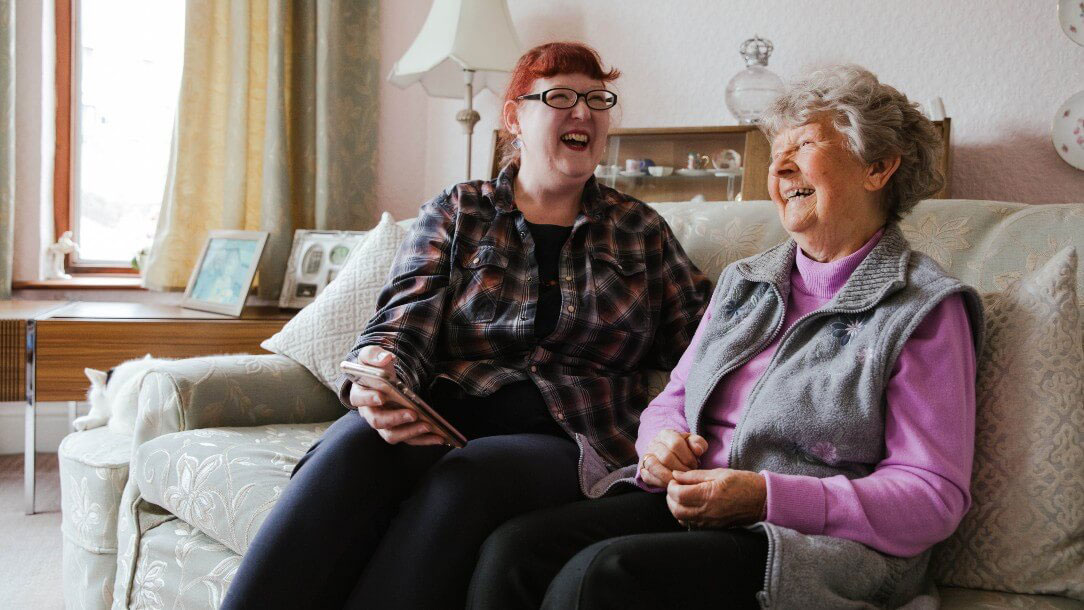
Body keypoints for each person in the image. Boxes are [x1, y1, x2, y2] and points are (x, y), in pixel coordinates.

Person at [469, 64, 984, 610]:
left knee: (605, 575)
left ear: (877, 168)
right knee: (515, 549)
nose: (780, 165)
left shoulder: (922, 308)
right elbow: (673, 399)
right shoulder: (746, 282)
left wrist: (765, 496)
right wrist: (659, 447)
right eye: (775, 148)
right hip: (695, 504)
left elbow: (932, 496)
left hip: (807, 543)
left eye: (804, 145)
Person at [220, 42, 710, 610]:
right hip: (448, 408)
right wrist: (380, 371)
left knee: (468, 480)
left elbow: (709, 339)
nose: (583, 112)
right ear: (513, 118)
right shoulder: (460, 211)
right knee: (354, 444)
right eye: (560, 96)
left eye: (597, 99)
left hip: (567, 432)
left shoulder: (639, 230)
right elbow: (404, 317)